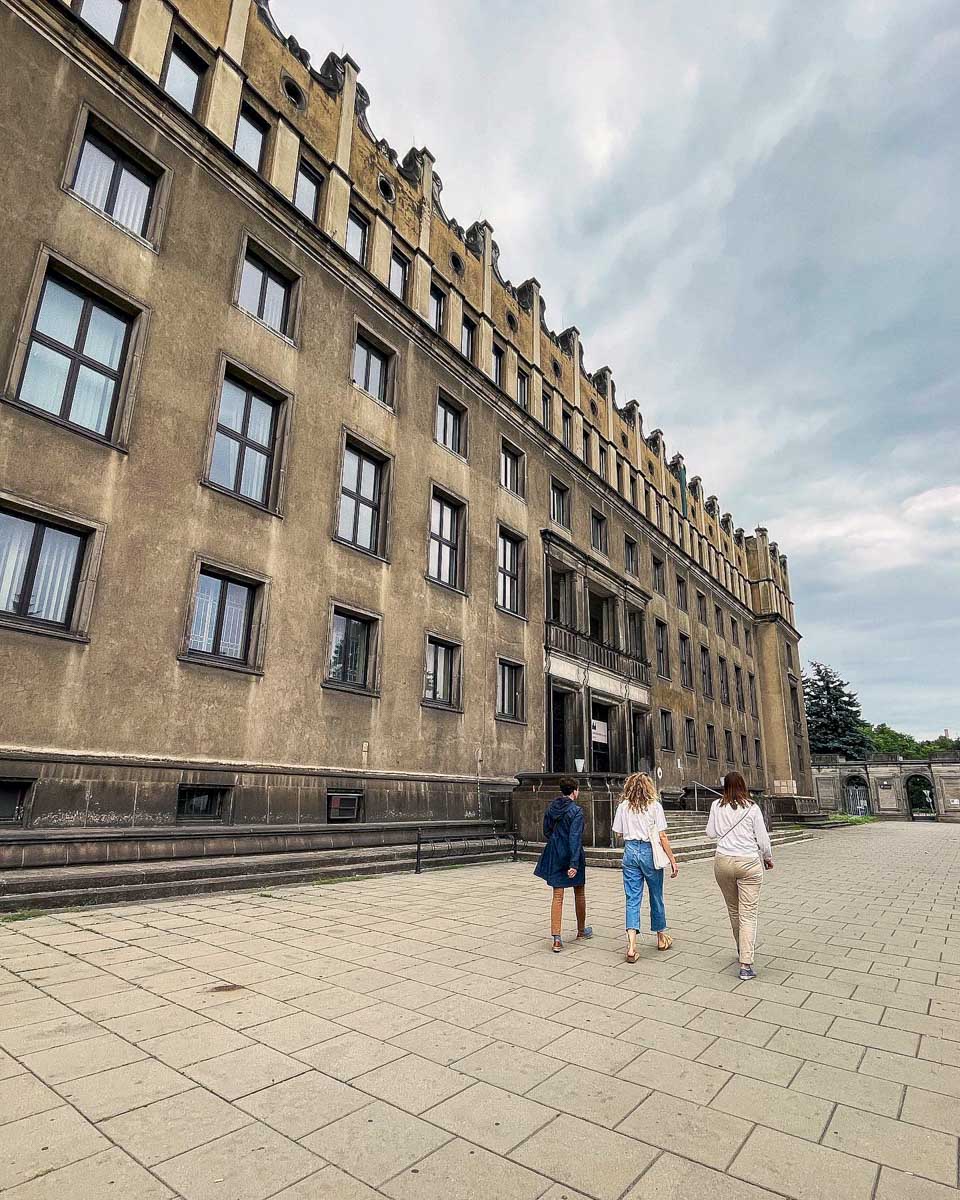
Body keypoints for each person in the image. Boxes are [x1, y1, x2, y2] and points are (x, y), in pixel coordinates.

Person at [706, 771, 774, 981]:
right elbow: (762, 839)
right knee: (748, 913)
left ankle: (741, 949)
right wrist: (768, 857)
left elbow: (710, 833)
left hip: (723, 861)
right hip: (749, 862)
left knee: (734, 910)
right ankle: (746, 963)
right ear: (743, 786)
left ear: (724, 786)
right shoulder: (752, 808)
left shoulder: (716, 806)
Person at [612, 773, 679, 963]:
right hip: (650, 850)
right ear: (648, 787)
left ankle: (632, 946)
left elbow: (618, 832)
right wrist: (672, 860)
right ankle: (660, 937)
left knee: (632, 898)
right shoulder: (655, 806)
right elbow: (662, 836)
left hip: (630, 850)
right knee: (656, 894)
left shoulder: (623, 806)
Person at [533, 776, 592, 951]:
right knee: (579, 892)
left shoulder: (552, 807)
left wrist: (556, 840)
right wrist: (573, 863)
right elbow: (575, 837)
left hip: (555, 853)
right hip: (572, 855)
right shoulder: (576, 811)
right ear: (574, 791)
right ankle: (581, 931)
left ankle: (557, 939)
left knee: (557, 896)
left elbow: (546, 830)